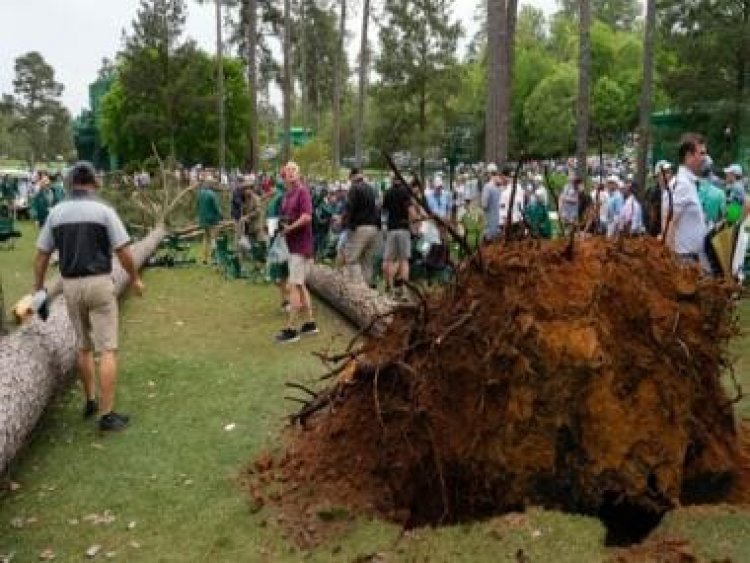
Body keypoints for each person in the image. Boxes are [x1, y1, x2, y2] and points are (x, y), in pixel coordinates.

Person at [33, 162, 144, 432]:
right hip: (99, 284)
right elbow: (124, 251)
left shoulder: (55, 213)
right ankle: (107, 416)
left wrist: (39, 289)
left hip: (70, 285)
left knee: (83, 346)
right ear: (93, 182)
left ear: (70, 183)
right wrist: (135, 277)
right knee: (107, 349)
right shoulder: (104, 211)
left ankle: (90, 400)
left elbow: (41, 256)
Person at [276, 162, 317, 344]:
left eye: (294, 169)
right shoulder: (287, 195)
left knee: (293, 285)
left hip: (301, 246)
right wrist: (280, 227)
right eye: (288, 170)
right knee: (300, 285)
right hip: (290, 245)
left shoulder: (303, 192)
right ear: (284, 175)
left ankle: (292, 329)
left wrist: (290, 227)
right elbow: (285, 218)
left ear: (299, 174)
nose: (291, 172)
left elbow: (307, 217)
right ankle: (310, 323)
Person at [666, 133, 708, 269]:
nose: (705, 158)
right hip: (684, 261)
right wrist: (669, 262)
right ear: (688, 156)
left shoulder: (687, 183)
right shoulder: (683, 184)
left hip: (691, 259)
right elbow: (670, 223)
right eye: (701, 153)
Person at [342, 168, 381, 287]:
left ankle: (358, 288)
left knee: (352, 259)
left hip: (360, 228)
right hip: (374, 228)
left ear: (352, 177)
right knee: (367, 261)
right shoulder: (372, 189)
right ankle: (367, 288)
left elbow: (350, 208)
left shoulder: (354, 188)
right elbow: (378, 207)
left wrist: (347, 225)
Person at [382, 176, 417, 299]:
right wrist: (415, 223)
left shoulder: (388, 192)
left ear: (392, 180)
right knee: (404, 261)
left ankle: (391, 291)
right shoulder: (405, 192)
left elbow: (384, 211)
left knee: (390, 260)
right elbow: (411, 211)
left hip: (391, 230)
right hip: (403, 229)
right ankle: (404, 291)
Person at [197, 173, 223, 264]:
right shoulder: (212, 194)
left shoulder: (200, 193)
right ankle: (214, 259)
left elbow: (197, 206)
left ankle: (204, 258)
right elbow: (216, 207)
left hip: (203, 219)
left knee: (205, 239)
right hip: (212, 219)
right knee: (213, 239)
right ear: (210, 184)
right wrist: (221, 215)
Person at [481, 165, 501, 242]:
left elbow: (484, 205)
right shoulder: (501, 186)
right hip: (501, 223)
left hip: (490, 223)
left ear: (489, 173)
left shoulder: (487, 187)